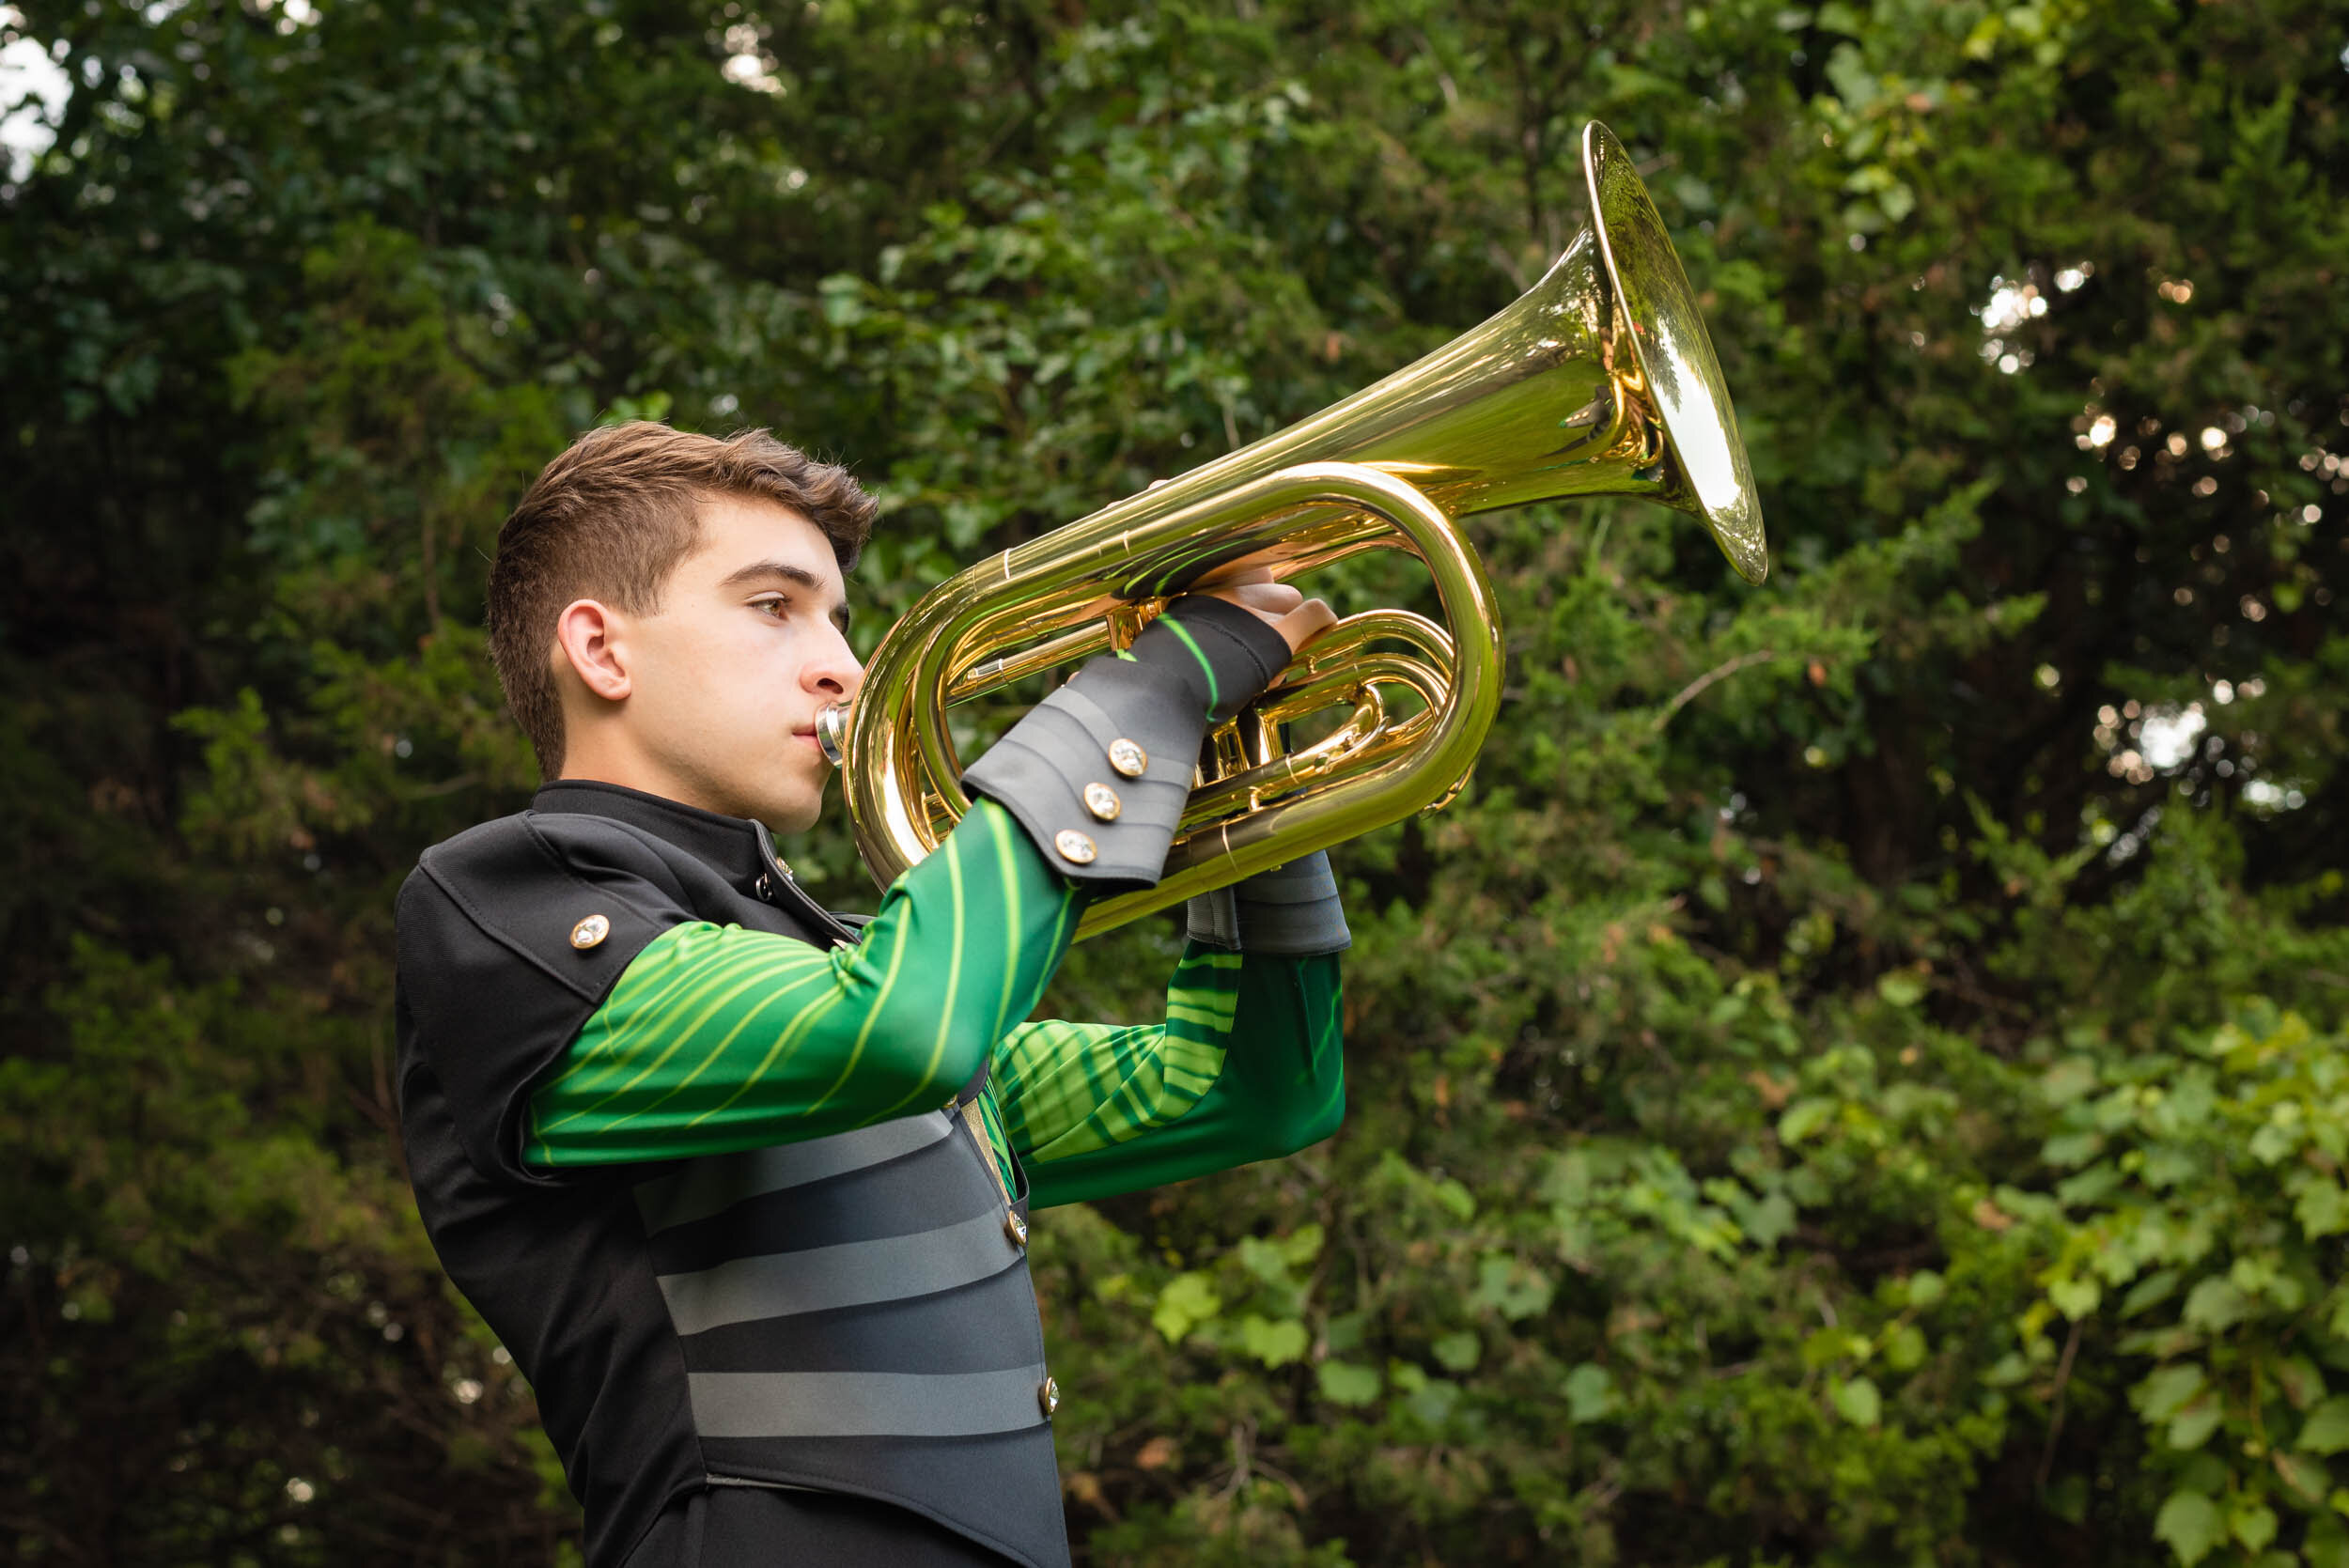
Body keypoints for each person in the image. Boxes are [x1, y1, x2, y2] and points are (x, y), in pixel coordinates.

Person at [393, 422, 1352, 1567]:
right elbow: (901, 1029)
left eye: (837, 617)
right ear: (601, 650)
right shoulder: (508, 901)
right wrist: (1158, 684)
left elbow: (1245, 1093)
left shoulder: (837, 964)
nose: (842, 665)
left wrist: (1246, 766)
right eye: (771, 606)